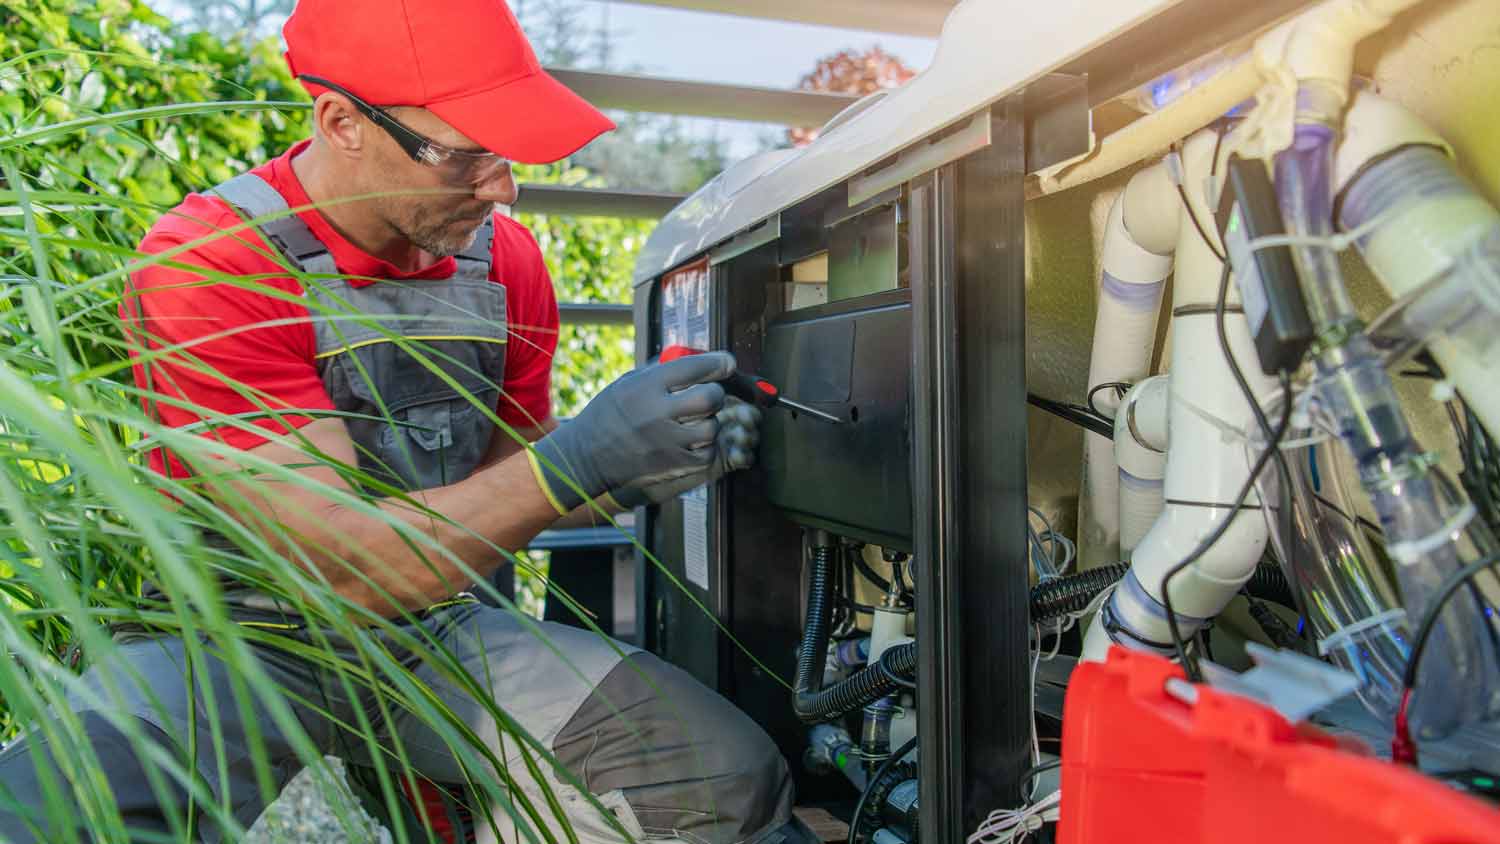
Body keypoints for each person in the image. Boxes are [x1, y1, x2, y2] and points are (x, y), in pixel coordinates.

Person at [0, 1, 799, 842]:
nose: (504, 186)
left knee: (718, 778)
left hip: (425, 629)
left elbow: (510, 489)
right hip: (229, 637)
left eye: (507, 150)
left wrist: (634, 472)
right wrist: (578, 458)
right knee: (45, 821)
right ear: (341, 121)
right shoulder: (211, 259)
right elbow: (343, 567)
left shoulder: (506, 263)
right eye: (465, 154)